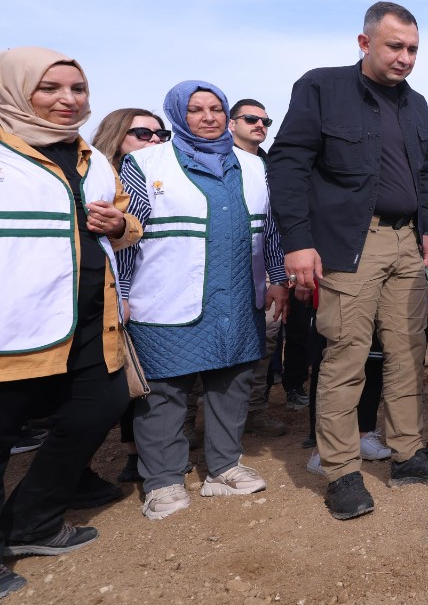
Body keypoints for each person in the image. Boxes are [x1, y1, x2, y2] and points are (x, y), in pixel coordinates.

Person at [268, 2, 428, 521]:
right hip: (349, 242)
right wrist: (298, 241)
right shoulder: (322, 87)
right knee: (346, 354)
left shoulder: (416, 105)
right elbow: (288, 164)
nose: (404, 58)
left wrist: (427, 229)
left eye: (413, 49)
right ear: (364, 43)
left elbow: (422, 171)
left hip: (406, 243)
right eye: (394, 46)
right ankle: (342, 471)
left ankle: (407, 453)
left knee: (407, 351)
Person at [0, 48, 142, 599]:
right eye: (51, 88)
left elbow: (129, 225)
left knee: (102, 405)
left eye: (78, 89)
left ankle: (31, 520)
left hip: (89, 315)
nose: (68, 100)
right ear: (17, 91)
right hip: (15, 323)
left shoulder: (92, 159)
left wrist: (119, 222)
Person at [118, 81, 289, 521]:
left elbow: (269, 229)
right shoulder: (144, 162)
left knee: (230, 384)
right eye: (197, 110)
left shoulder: (253, 166)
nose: (208, 117)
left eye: (216, 108)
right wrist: (119, 294)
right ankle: (163, 481)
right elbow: (126, 238)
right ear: (179, 114)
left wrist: (276, 277)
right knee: (164, 392)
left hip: (235, 295)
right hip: (164, 296)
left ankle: (224, 467)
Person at [89, 108, 171, 492]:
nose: (154, 139)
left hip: (142, 289)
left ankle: (138, 452)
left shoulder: (159, 176)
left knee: (136, 375)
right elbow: (119, 247)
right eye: (143, 133)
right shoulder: (97, 179)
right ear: (117, 135)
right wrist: (120, 293)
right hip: (105, 292)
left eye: (160, 134)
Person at [228, 98, 290, 440]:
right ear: (230, 123)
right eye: (251, 118)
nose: (260, 125)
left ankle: (254, 412)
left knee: (264, 342)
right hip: (222, 266)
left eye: (266, 120)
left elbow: (275, 223)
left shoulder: (271, 166)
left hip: (266, 265)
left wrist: (279, 274)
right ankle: (189, 422)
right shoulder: (216, 161)